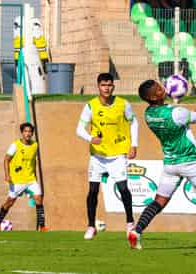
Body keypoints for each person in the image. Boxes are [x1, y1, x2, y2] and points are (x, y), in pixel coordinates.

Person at [128, 79, 196, 251]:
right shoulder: (176, 112)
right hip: (190, 161)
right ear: (154, 96)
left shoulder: (148, 114)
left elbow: (178, 123)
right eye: (159, 88)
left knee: (159, 202)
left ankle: (136, 231)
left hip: (170, 164)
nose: (163, 88)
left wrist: (192, 114)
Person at [76, 73, 138, 240]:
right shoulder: (91, 106)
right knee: (93, 191)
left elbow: (133, 123)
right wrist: (91, 138)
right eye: (103, 85)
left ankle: (130, 224)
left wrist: (134, 144)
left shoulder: (123, 104)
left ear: (113, 86)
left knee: (124, 189)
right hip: (98, 155)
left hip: (118, 154)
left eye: (109, 85)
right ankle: (90, 226)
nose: (107, 88)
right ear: (98, 86)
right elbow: (79, 129)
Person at [0, 122, 48, 231]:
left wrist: (35, 177)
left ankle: (42, 227)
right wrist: (7, 175)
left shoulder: (35, 145)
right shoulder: (15, 145)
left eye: (30, 131)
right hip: (17, 180)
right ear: (22, 133)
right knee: (10, 202)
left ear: (32, 133)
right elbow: (6, 159)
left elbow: (33, 162)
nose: (28, 134)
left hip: (31, 179)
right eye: (25, 131)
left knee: (38, 198)